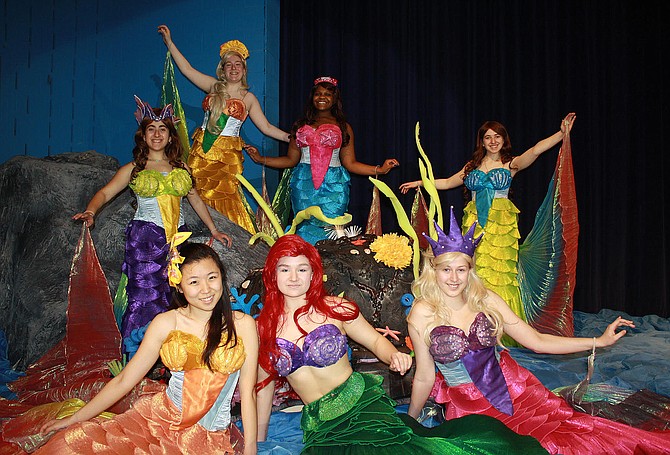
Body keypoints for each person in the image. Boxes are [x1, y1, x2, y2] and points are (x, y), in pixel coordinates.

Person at [406, 208, 670, 454]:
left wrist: (597, 341)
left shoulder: (486, 300)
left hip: (519, 392)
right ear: (434, 270)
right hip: (469, 409)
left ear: (470, 271)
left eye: (461, 270)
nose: (454, 278)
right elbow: (424, 376)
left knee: (565, 441)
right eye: (446, 270)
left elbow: (537, 341)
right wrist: (411, 420)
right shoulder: (422, 313)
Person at [255, 234, 548, 454]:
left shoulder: (336, 309)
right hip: (320, 425)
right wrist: (259, 440)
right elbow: (264, 385)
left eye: (302, 269)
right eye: (285, 269)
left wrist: (395, 355)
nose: (294, 277)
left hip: (361, 407)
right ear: (273, 273)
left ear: (313, 272)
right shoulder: (263, 327)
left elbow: (374, 340)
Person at [37, 242, 259, 454]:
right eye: (194, 282)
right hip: (159, 424)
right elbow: (125, 380)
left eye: (212, 278)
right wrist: (74, 419)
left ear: (222, 277)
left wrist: (251, 447)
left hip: (211, 437)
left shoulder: (243, 325)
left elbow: (248, 392)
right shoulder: (166, 323)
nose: (206, 289)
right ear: (179, 286)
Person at [73, 96, 231, 356]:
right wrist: (91, 211)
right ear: (143, 136)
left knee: (177, 293)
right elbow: (105, 193)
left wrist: (213, 230)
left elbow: (195, 199)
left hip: (178, 240)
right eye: (151, 129)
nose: (157, 134)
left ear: (170, 136)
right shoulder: (134, 168)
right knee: (145, 295)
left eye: (163, 129)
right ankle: (138, 354)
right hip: (146, 238)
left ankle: (175, 351)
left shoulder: (181, 167)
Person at [400, 114, 576, 330]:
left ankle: (503, 326)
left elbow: (535, 150)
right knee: (474, 269)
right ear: (481, 141)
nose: (493, 141)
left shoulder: (510, 163)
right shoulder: (471, 166)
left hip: (500, 226)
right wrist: (419, 182)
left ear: (504, 139)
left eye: (497, 136)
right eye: (488, 137)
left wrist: (561, 133)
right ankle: (472, 323)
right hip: (475, 223)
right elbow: (446, 182)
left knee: (500, 272)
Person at [158, 25, 290, 234]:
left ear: (244, 69)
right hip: (203, 151)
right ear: (223, 69)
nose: (234, 68)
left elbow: (265, 127)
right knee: (195, 190)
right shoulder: (213, 86)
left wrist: (290, 137)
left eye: (238, 64)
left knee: (224, 195)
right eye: (229, 64)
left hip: (226, 156)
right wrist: (170, 43)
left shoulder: (249, 99)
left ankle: (229, 237)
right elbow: (187, 70)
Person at [247, 77, 400, 244]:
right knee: (304, 227)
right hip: (303, 185)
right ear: (312, 97)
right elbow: (290, 160)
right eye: (318, 94)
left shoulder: (344, 127)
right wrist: (261, 159)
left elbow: (351, 163)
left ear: (334, 99)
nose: (322, 97)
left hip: (334, 186)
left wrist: (380, 169)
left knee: (332, 228)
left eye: (327, 94)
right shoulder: (300, 125)